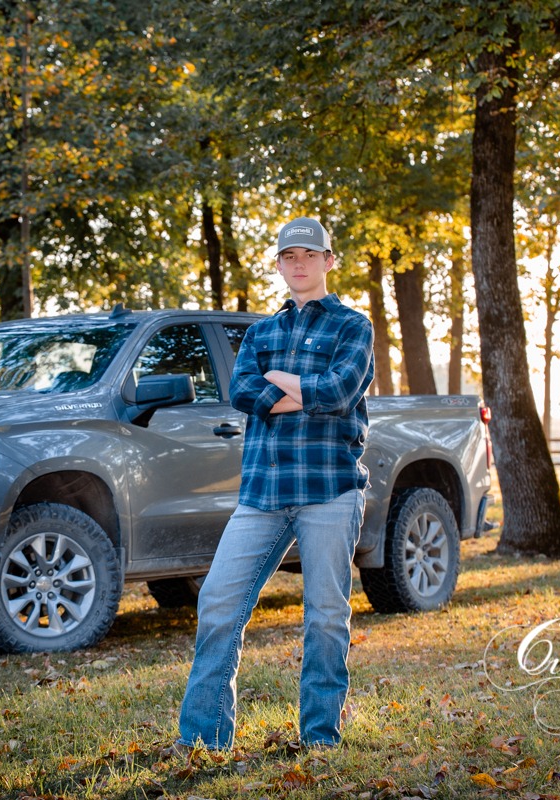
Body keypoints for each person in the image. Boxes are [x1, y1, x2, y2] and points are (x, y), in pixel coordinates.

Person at [175, 216, 375, 750]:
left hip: (329, 489)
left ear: (329, 260)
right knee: (218, 603)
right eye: (290, 256)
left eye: (310, 255)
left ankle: (320, 738)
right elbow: (243, 392)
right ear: (280, 265)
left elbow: (339, 391)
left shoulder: (353, 327)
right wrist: (310, 391)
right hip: (262, 493)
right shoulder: (260, 332)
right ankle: (203, 740)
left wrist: (288, 385)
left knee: (325, 616)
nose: (300, 264)